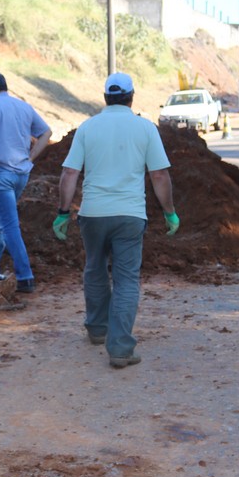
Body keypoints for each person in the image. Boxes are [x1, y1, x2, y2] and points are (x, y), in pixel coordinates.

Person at [53, 72, 178, 368]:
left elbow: (69, 173)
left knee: (95, 268)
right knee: (126, 280)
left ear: (105, 97)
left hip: (93, 214)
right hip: (130, 216)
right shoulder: (145, 128)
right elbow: (159, 175)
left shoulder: (87, 127)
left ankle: (98, 329)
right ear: (131, 97)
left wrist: (63, 212)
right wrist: (169, 211)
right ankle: (120, 348)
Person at [0, 70, 52, 294]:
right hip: (21, 174)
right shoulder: (24, 106)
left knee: (8, 225)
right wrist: (31, 157)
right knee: (3, 219)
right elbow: (46, 132)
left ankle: (25, 276)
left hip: (1, 172)